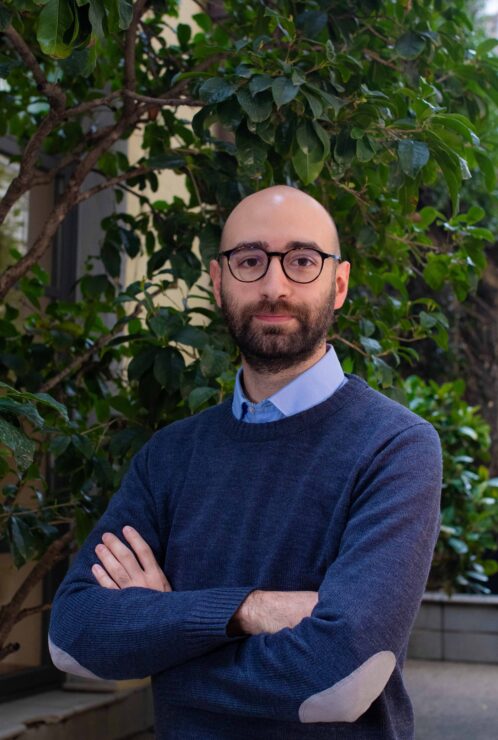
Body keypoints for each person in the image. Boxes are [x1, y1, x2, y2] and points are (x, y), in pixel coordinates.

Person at [48, 185, 442, 740]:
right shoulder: (169, 456)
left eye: (302, 261)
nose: (275, 286)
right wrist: (247, 611)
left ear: (339, 285)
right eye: (250, 261)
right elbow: (72, 637)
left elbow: (340, 679)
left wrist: (166, 635)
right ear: (218, 282)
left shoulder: (395, 446)